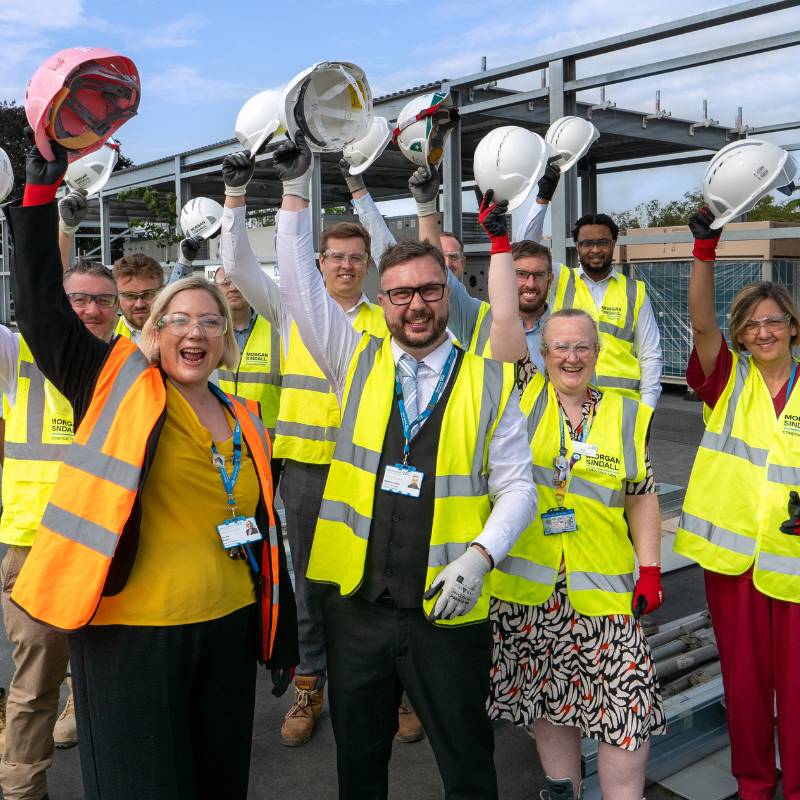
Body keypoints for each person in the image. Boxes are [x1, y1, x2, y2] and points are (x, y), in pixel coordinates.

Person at [4, 142, 297, 800]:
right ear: (154, 332)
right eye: (179, 320)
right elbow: (42, 313)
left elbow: (259, 533)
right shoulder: (116, 386)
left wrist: (276, 633)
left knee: (218, 784)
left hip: (225, 629)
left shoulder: (242, 415)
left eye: (211, 322)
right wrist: (36, 201)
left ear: (225, 339)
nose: (195, 332)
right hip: (131, 637)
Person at [278, 132, 536, 799]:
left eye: (427, 291)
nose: (415, 305)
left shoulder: (489, 378)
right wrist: (293, 189)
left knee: (467, 764)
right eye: (398, 295)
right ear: (381, 299)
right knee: (358, 765)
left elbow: (517, 487)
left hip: (447, 615)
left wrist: (481, 556)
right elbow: (300, 287)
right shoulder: (352, 359)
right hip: (358, 608)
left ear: (447, 293)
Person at [220, 149, 414, 747]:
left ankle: (398, 687)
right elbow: (237, 263)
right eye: (338, 257)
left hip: (372, 471)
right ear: (319, 261)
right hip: (304, 471)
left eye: (359, 258)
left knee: (383, 574)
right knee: (308, 582)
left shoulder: (389, 320)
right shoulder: (288, 310)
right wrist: (235, 197)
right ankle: (310, 681)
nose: (349, 266)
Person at [490, 306, 665, 800]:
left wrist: (650, 570)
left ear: (597, 352)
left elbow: (641, 494)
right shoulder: (516, 400)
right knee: (549, 702)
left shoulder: (626, 411)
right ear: (541, 355)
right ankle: (562, 792)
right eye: (560, 347)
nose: (572, 357)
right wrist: (499, 245)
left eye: (582, 346)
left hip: (604, 588)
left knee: (627, 707)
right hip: (529, 589)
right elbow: (503, 324)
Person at [674, 207, 800, 800]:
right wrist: (706, 250)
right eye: (751, 325)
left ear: (793, 327)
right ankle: (754, 784)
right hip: (735, 565)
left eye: (774, 321)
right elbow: (701, 327)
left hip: (795, 566)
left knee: (798, 689)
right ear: (742, 334)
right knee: (747, 688)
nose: (764, 333)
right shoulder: (728, 380)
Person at [0, 256, 117, 799]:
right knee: (35, 686)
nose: (91, 310)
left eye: (102, 300)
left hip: (115, 551)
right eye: (78, 299)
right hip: (36, 550)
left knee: (116, 682)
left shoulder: (130, 365)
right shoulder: (15, 356)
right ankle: (23, 791)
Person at [516, 170, 663, 407]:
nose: (595, 250)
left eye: (602, 242)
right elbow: (525, 248)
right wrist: (542, 199)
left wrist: (646, 412)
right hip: (565, 404)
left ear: (614, 244)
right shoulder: (561, 279)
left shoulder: (635, 292)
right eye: (587, 243)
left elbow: (650, 356)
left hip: (621, 409)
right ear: (577, 246)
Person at [212, 266, 283, 436]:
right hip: (221, 438)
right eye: (226, 283)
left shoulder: (277, 330)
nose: (234, 288)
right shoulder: (205, 332)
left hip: (267, 440)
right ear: (215, 290)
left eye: (240, 282)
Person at [112, 252, 165, 343]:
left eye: (148, 294)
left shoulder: (181, 331)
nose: (139, 305)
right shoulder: (108, 337)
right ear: (116, 296)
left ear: (163, 292)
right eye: (129, 296)